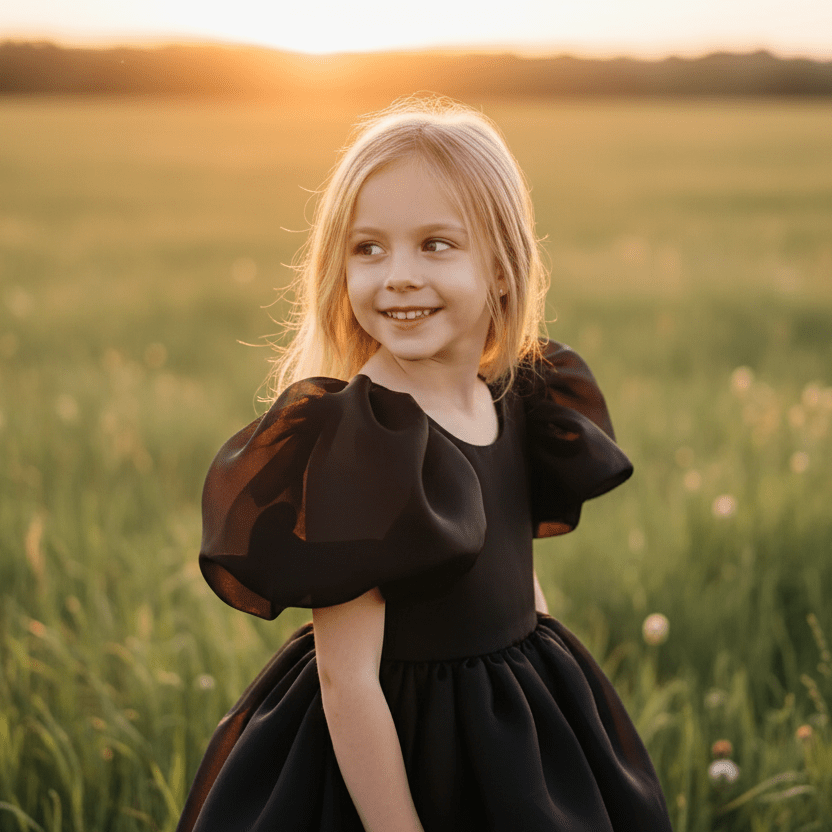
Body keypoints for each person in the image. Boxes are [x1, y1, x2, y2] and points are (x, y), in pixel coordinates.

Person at [177, 97, 673, 832]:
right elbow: (347, 683)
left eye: (436, 244)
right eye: (368, 248)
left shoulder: (515, 399)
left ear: (503, 268)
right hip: (396, 747)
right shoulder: (361, 438)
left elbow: (513, 568)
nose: (398, 276)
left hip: (509, 722)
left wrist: (553, 709)